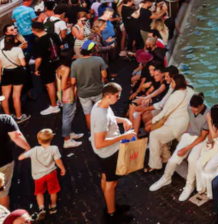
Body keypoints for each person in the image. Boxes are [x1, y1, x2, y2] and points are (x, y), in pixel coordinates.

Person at [90, 83, 136, 224]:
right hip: (109, 153)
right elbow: (100, 142)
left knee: (105, 177)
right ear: (109, 95)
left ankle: (110, 205)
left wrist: (123, 120)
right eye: (117, 96)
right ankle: (111, 213)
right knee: (112, 183)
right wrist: (123, 137)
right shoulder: (101, 115)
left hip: (103, 153)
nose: (119, 98)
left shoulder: (100, 104)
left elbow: (110, 119)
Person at [148, 93, 209, 195]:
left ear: (202, 105)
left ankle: (189, 185)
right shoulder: (190, 108)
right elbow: (191, 121)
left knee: (192, 160)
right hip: (189, 135)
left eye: (195, 109)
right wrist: (186, 133)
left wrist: (186, 149)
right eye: (192, 107)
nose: (193, 110)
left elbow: (202, 137)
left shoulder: (208, 115)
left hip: (200, 139)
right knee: (173, 160)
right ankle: (166, 178)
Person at [183, 103, 218, 203]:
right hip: (217, 142)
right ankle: (201, 188)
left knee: (209, 167)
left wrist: (209, 122)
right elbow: (211, 137)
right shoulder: (217, 121)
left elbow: (214, 135)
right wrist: (209, 143)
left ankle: (212, 191)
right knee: (199, 163)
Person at [145, 73, 193, 172]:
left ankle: (155, 164)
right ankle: (166, 157)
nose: (171, 84)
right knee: (162, 136)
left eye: (172, 82)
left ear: (176, 83)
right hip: (185, 124)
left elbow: (164, 112)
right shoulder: (190, 91)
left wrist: (153, 121)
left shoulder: (175, 95)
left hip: (175, 125)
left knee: (154, 135)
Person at [17, 129, 66, 218]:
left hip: (38, 176)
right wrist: (62, 168)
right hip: (51, 173)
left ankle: (41, 208)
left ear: (39, 141)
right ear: (52, 138)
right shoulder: (54, 149)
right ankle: (53, 207)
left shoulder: (34, 150)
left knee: (39, 192)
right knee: (53, 191)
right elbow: (58, 161)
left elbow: (20, 158)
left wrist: (25, 152)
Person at [70, 40, 108, 128]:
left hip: (83, 93)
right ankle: (102, 130)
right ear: (92, 50)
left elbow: (73, 82)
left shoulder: (75, 64)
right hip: (98, 90)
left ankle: (92, 134)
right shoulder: (99, 60)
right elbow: (104, 75)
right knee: (102, 111)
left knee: (88, 114)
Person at [0, 26, 29, 123]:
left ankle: (8, 116)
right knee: (16, 96)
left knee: (5, 97)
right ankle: (19, 116)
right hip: (17, 72)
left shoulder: (0, 52)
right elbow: (23, 63)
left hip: (5, 73)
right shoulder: (17, 50)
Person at [31, 21, 61, 116]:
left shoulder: (38, 42)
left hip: (46, 65)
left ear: (34, 31)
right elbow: (61, 45)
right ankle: (60, 100)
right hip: (57, 61)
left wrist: (36, 69)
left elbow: (38, 59)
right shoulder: (53, 35)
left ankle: (54, 106)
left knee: (49, 85)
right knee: (58, 81)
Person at [55, 56, 84, 149]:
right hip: (68, 96)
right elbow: (64, 86)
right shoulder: (67, 69)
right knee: (67, 118)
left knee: (67, 116)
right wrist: (73, 82)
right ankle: (67, 140)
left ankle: (69, 134)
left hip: (62, 96)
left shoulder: (60, 68)